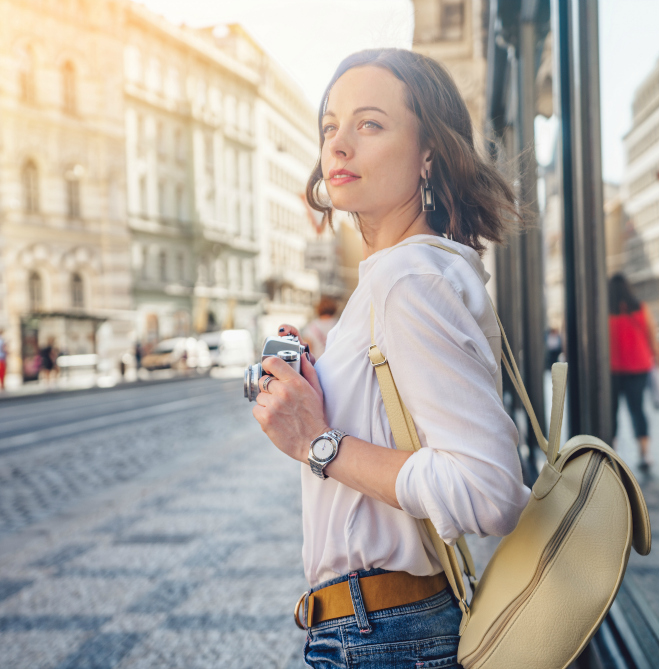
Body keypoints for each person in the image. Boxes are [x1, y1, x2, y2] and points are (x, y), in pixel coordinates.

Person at [250, 49, 529, 668]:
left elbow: (490, 490)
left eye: (370, 124)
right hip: (385, 628)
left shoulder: (408, 277)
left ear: (429, 150)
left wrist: (317, 442)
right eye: (330, 126)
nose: (339, 144)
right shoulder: (401, 273)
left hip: (382, 637)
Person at [607, 274, 659, 469]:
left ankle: (610, 452)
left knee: (610, 410)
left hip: (611, 369)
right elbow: (653, 338)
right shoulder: (641, 308)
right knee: (637, 409)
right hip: (638, 367)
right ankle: (644, 453)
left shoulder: (604, 311)